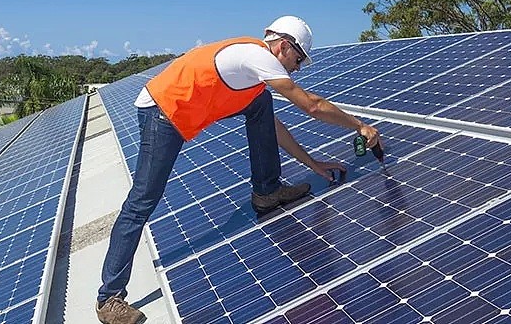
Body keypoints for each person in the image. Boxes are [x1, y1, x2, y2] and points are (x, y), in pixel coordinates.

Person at [96, 16, 382, 324]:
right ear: (283, 46)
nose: (298, 67)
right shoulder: (257, 57)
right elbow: (311, 105)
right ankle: (108, 298)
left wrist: (313, 163)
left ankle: (267, 192)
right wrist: (360, 125)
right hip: (163, 113)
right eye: (298, 59)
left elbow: (274, 128)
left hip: (184, 110)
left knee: (261, 106)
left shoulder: (255, 78)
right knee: (143, 200)